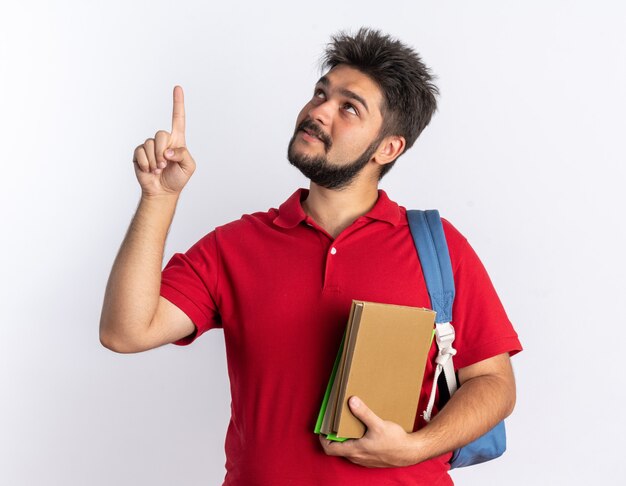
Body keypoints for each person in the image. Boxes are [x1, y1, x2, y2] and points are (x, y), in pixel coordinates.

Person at [100, 28, 522, 486]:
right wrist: (158, 198)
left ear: (389, 147)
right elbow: (126, 332)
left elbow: (494, 385)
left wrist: (415, 448)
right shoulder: (236, 245)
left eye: (348, 107)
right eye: (321, 93)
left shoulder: (437, 246)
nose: (318, 110)